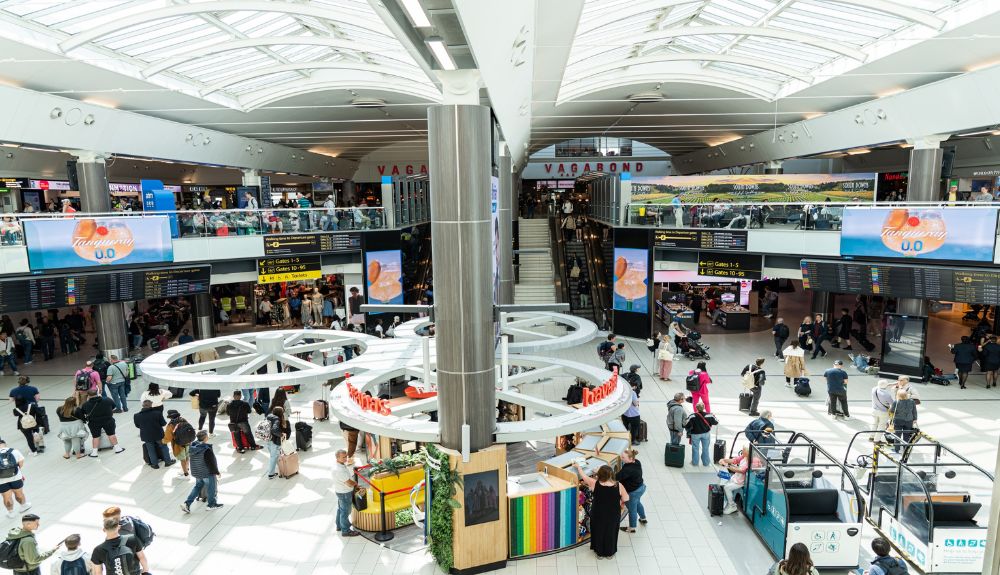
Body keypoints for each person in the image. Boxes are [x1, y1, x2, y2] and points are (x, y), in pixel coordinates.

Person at [572, 464, 627, 559]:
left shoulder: (594, 483)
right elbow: (626, 498)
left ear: (599, 475)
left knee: (598, 531)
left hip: (598, 513)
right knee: (611, 532)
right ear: (611, 474)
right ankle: (609, 553)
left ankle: (599, 553)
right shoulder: (619, 485)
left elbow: (583, 476)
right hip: (613, 513)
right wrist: (621, 503)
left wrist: (578, 467)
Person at [180, 431, 223, 512]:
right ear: (205, 438)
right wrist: (217, 472)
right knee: (211, 488)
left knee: (197, 487)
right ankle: (211, 505)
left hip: (197, 472)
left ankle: (187, 504)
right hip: (207, 472)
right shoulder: (206, 449)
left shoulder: (192, 447)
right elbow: (211, 462)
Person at [76, 390, 125, 457]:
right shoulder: (107, 399)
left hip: (94, 422)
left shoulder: (86, 404)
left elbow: (83, 413)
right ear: (97, 393)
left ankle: (94, 452)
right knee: (111, 434)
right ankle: (117, 448)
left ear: (88, 396)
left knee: (95, 436)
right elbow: (113, 406)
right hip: (108, 420)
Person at [133, 400, 174, 470]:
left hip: (146, 435)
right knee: (164, 447)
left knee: (150, 450)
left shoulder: (136, 415)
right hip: (158, 434)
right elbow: (163, 423)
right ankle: (168, 462)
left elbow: (137, 425)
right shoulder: (157, 413)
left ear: (142, 405)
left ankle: (155, 464)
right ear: (151, 405)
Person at [616, 449, 646, 533]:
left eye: (623, 457)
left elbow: (616, 477)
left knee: (632, 509)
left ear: (630, 458)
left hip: (633, 492)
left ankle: (632, 528)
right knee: (637, 503)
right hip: (641, 487)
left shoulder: (628, 469)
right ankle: (643, 518)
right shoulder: (637, 462)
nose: (621, 458)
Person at [8, 377, 40, 455]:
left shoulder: (13, 390)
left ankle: (33, 450)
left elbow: (10, 400)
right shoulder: (33, 388)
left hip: (21, 412)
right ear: (27, 381)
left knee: (27, 433)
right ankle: (35, 432)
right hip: (32, 408)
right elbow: (37, 398)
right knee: (33, 421)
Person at [332, 449, 360, 537]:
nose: (346, 459)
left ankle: (339, 526)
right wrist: (356, 484)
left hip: (340, 491)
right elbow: (349, 483)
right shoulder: (339, 470)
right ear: (337, 458)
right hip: (345, 493)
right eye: (343, 457)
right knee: (345, 512)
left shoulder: (338, 465)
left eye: (346, 456)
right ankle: (346, 531)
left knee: (340, 509)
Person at [0, 440, 31, 519]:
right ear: (5, 444)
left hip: (1, 481)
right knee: (19, 493)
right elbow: (21, 463)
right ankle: (23, 506)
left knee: (6, 497)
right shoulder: (14, 451)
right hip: (16, 477)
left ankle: (11, 512)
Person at [683, 402, 718, 466]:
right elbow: (716, 422)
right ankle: (706, 463)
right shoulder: (709, 415)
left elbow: (686, 424)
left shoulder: (692, 416)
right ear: (704, 408)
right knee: (705, 448)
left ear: (696, 408)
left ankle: (695, 462)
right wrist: (714, 416)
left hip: (695, 434)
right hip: (706, 434)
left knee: (695, 448)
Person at [717, 445, 750, 514]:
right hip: (736, 477)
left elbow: (741, 470)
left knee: (727, 488)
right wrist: (724, 460)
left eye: (743, 450)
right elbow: (735, 460)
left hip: (741, 481)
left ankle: (732, 506)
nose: (742, 451)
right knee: (724, 485)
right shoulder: (744, 456)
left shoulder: (749, 461)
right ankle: (729, 503)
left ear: (747, 452)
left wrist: (727, 465)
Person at [163, 410, 193, 477]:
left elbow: (168, 438)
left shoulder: (170, 425)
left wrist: (163, 441)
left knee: (182, 460)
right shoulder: (183, 420)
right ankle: (187, 468)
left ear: (170, 417)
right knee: (187, 456)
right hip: (187, 442)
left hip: (178, 445)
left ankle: (186, 474)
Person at [264, 406, 290, 480]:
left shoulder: (269, 416)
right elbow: (274, 430)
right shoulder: (277, 419)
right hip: (274, 441)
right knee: (274, 457)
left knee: (274, 456)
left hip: (268, 439)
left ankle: (281, 470)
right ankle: (271, 474)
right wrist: (281, 435)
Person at [620, 380, 641, 446]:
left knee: (625, 427)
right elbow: (635, 403)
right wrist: (637, 402)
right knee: (634, 428)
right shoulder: (633, 393)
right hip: (633, 414)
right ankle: (632, 440)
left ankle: (624, 439)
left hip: (625, 413)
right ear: (634, 386)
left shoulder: (623, 391)